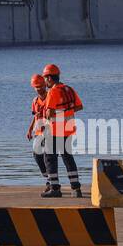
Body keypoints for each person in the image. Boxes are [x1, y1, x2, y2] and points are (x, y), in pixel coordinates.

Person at [40, 63, 84, 198]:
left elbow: (49, 113)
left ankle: (55, 188)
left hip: (55, 130)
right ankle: (76, 189)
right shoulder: (69, 89)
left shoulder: (53, 92)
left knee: (50, 158)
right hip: (68, 128)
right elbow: (79, 107)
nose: (44, 81)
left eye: (45, 78)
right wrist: (65, 111)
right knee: (68, 157)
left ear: (49, 78)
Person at [26, 73, 51, 190]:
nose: (39, 89)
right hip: (38, 132)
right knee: (36, 155)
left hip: (49, 132)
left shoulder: (50, 98)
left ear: (45, 85)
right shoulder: (35, 100)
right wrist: (30, 129)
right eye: (36, 87)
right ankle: (48, 177)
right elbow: (35, 116)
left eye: (40, 86)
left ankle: (50, 182)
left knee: (47, 156)